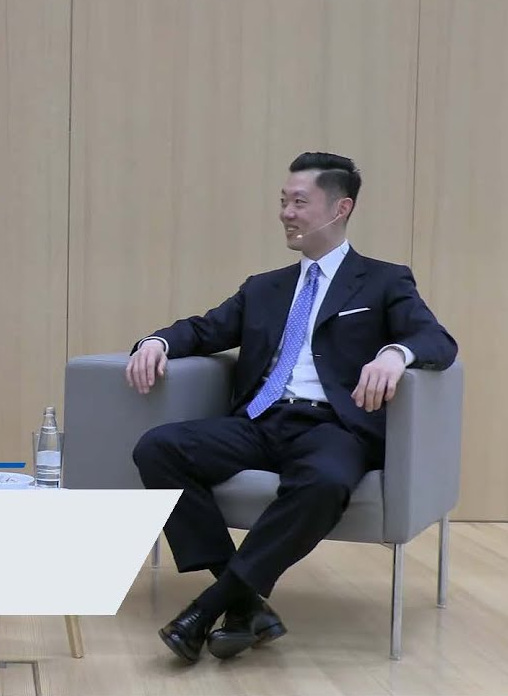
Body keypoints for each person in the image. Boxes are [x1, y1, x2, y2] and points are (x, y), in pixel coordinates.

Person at [127, 152, 457, 664]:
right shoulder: (265, 287)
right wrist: (157, 342)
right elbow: (206, 328)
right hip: (261, 419)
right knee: (159, 448)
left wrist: (396, 354)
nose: (286, 213)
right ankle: (244, 604)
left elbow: (437, 340)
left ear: (341, 208)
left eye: (299, 202)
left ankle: (209, 607)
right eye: (283, 201)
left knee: (325, 481)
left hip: (334, 427)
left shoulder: (383, 281)